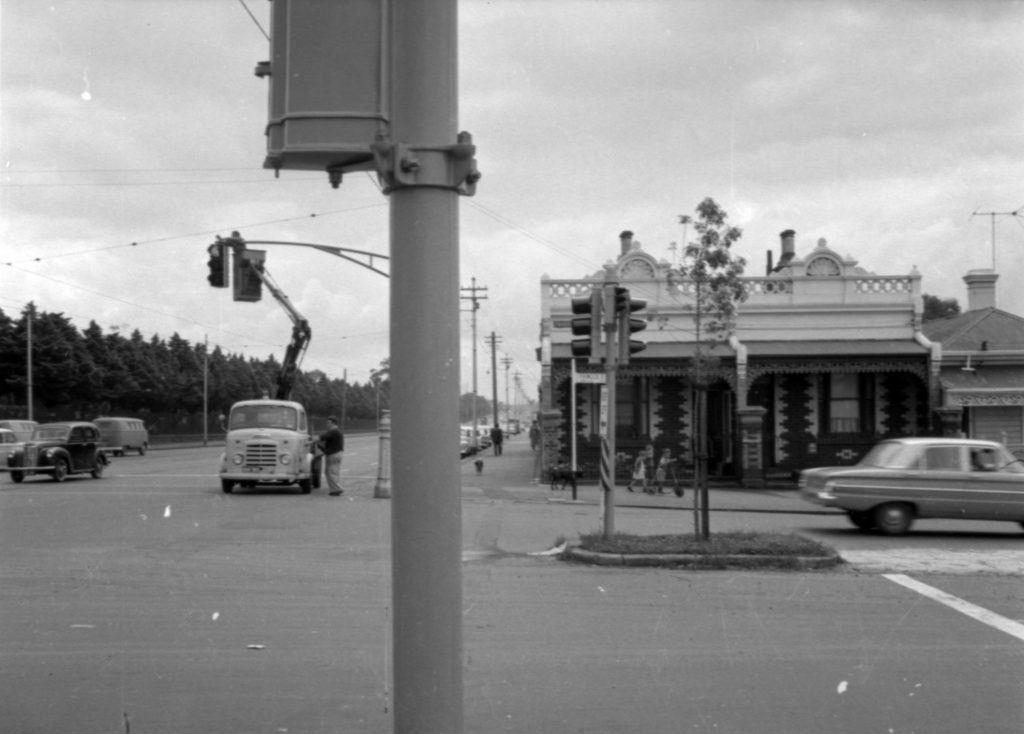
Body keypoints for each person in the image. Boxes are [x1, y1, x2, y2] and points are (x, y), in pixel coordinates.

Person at [318, 416, 345, 496]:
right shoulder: (336, 431)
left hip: (333, 454)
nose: (326, 424)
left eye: (328, 423)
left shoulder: (334, 431)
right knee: (333, 472)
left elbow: (323, 437)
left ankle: (337, 489)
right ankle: (334, 489)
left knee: (331, 472)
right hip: (337, 453)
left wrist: (316, 441)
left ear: (333, 423)